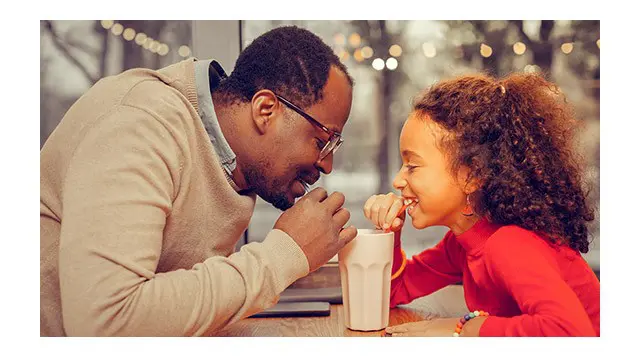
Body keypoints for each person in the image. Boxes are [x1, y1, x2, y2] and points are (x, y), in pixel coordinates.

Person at [40, 26, 357, 336]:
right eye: (322, 140)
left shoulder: (232, 164)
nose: (326, 165)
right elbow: (105, 323)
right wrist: (283, 255)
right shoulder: (140, 126)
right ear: (265, 110)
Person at [363, 73, 599, 336]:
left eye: (412, 166)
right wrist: (392, 236)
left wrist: (466, 329)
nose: (397, 180)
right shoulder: (461, 244)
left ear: (471, 176)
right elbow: (392, 293)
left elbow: (572, 333)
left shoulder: (508, 244)